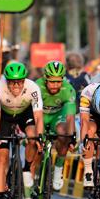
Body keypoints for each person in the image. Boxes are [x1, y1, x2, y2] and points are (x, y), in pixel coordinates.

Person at [0, 62, 44, 199]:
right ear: (6, 80)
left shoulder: (33, 88)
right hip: (4, 117)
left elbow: (39, 117)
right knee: (2, 156)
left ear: (24, 80)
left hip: (24, 113)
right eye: (12, 82)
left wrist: (39, 137)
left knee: (32, 137)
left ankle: (27, 173)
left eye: (19, 81)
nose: (16, 85)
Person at [36, 61, 76, 190]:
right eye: (52, 81)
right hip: (40, 115)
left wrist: (72, 136)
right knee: (33, 141)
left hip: (56, 117)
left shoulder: (68, 89)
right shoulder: (37, 87)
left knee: (63, 133)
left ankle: (58, 168)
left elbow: (70, 117)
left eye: (58, 82)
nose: (55, 85)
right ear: (45, 79)